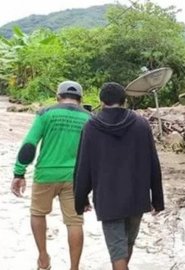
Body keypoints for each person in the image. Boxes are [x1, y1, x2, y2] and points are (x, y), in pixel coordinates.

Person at [74, 82, 164, 270]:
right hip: (136, 197)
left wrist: (80, 198)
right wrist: (157, 199)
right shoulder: (141, 124)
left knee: (118, 251)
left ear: (101, 101)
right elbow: (153, 163)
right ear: (124, 101)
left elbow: (84, 166)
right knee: (126, 246)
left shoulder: (91, 126)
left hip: (109, 199)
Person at [11, 81, 91, 270]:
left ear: (58, 96)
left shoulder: (45, 114)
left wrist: (19, 172)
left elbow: (30, 145)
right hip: (75, 177)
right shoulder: (89, 118)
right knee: (74, 223)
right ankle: (74, 268)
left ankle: (43, 258)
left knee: (38, 214)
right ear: (80, 99)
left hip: (45, 174)